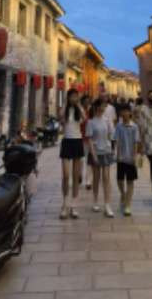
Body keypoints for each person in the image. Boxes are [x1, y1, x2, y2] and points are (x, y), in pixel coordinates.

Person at [85, 98, 115, 217]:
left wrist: (112, 148)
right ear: (97, 107)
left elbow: (111, 135)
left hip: (106, 151)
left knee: (106, 178)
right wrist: (93, 155)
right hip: (96, 152)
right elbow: (89, 140)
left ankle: (107, 205)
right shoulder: (91, 122)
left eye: (105, 106)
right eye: (102, 106)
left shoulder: (107, 120)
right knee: (96, 178)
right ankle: (95, 201)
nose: (104, 108)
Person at [58, 88, 85, 219]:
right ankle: (65, 204)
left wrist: (78, 104)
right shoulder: (65, 109)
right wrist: (66, 104)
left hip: (77, 141)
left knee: (75, 176)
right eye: (72, 96)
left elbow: (85, 118)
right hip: (67, 142)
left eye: (76, 96)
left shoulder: (79, 110)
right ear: (68, 97)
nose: (74, 98)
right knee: (66, 175)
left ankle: (74, 205)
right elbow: (61, 118)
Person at [114, 103, 141, 216]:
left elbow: (136, 142)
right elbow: (117, 141)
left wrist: (134, 156)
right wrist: (117, 154)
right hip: (121, 157)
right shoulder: (119, 126)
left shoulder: (134, 127)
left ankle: (128, 205)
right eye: (123, 111)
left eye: (126, 111)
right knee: (120, 180)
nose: (124, 113)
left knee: (130, 181)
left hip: (130, 158)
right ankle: (123, 194)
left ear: (130, 113)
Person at [80, 95, 92, 190]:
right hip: (80, 137)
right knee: (81, 159)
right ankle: (79, 174)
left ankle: (88, 181)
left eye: (88, 101)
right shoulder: (79, 111)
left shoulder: (92, 111)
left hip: (90, 138)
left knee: (89, 160)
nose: (87, 103)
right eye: (85, 101)